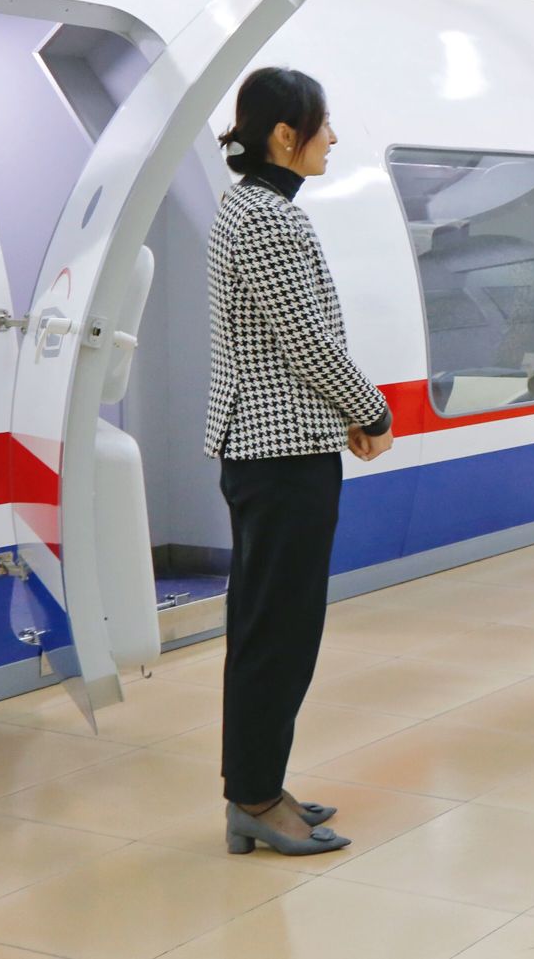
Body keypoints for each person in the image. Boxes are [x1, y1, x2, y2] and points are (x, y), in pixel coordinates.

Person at [205, 67, 391, 856]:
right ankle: (254, 797)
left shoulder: (246, 207)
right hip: (281, 455)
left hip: (268, 448)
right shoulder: (269, 219)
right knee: (280, 630)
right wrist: (371, 409)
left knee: (266, 625)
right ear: (286, 134)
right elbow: (308, 341)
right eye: (324, 124)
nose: (333, 138)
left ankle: (258, 784)